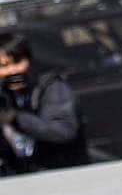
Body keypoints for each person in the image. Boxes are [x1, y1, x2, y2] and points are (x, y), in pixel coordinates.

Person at [0, 33, 86, 174]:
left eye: (17, 62)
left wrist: (16, 118)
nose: (12, 71)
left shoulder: (50, 87)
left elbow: (62, 131)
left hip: (62, 173)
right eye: (3, 66)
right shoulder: (4, 94)